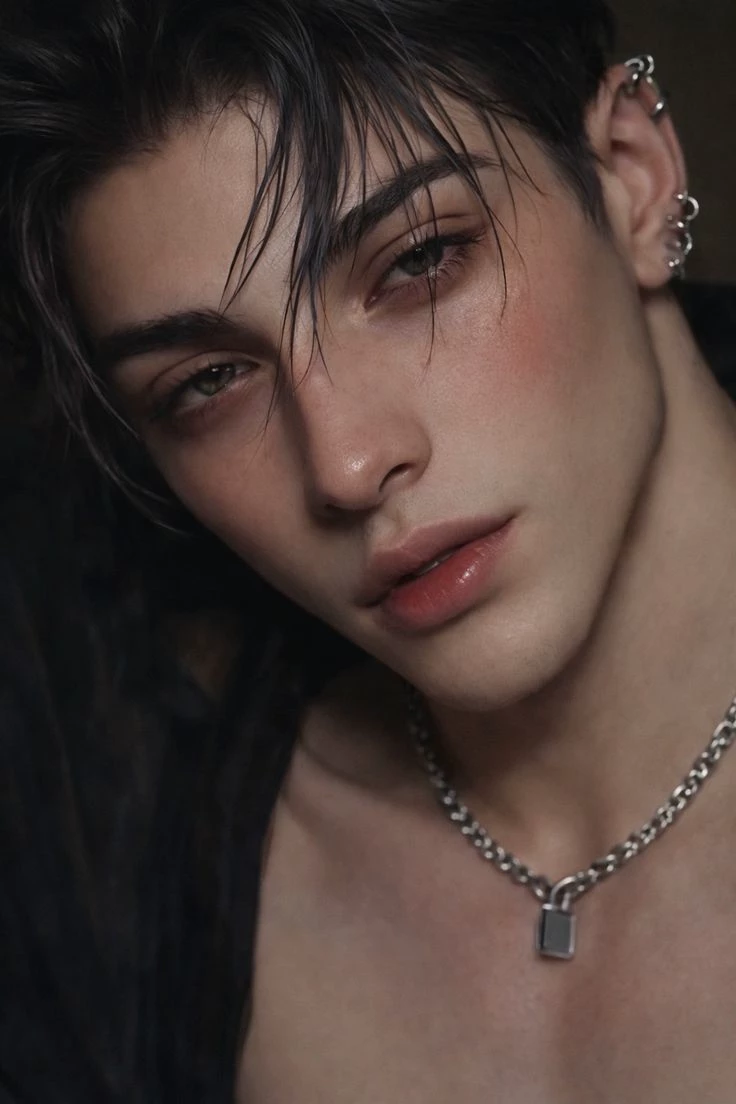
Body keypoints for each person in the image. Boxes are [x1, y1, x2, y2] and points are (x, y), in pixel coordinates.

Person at [1, 0, 736, 1099]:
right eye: (208, 381)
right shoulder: (136, 877)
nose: (344, 465)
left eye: (418, 261)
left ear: (631, 175)